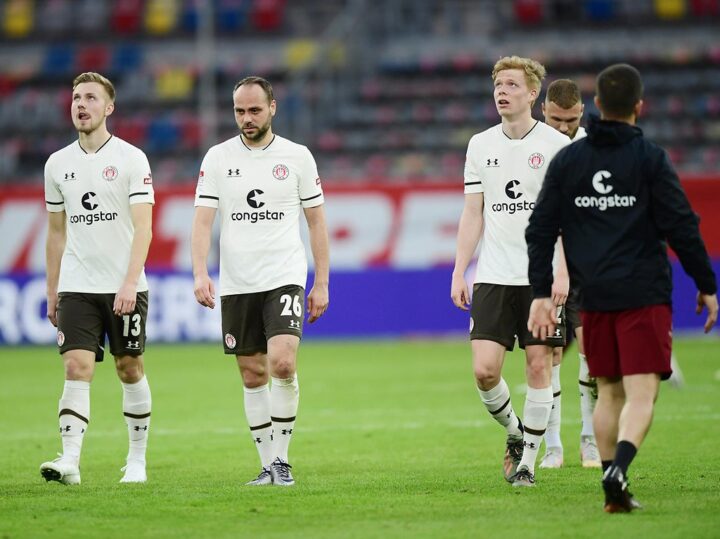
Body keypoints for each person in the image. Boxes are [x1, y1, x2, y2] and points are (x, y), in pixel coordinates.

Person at [526, 63, 718, 512]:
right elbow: (681, 226)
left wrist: (539, 292)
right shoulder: (650, 158)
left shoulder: (569, 160)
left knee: (607, 392)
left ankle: (614, 493)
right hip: (643, 293)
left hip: (592, 297)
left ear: (595, 106)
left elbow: (539, 229)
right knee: (641, 393)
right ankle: (618, 470)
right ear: (638, 107)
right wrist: (706, 285)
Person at [191, 76, 330, 487]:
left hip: (284, 275)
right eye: (239, 111)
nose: (246, 118)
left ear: (272, 107)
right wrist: (201, 272)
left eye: (254, 110)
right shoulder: (216, 158)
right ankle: (268, 465)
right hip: (237, 281)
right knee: (253, 374)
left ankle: (283, 461)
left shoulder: (298, 156)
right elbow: (202, 221)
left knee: (283, 362)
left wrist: (321, 281)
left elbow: (317, 221)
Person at [451, 56, 570, 488]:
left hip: (541, 279)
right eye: (498, 84)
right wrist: (459, 270)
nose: (502, 91)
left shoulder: (558, 147)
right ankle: (517, 433)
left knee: (540, 367)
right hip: (494, 276)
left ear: (533, 93)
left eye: (512, 85)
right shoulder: (480, 145)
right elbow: (472, 214)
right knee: (484, 371)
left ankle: (528, 466)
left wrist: (563, 272)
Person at [41, 72, 155, 485]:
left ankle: (137, 461)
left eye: (90, 97)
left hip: (125, 286)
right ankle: (69, 460)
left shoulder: (131, 158)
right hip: (77, 285)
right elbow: (56, 233)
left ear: (109, 107)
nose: (80, 104)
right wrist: (52, 289)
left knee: (129, 367)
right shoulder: (57, 164)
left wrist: (129, 282)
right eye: (75, 97)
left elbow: (144, 229)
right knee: (76, 365)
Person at [539, 78, 600, 469]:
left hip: (589, 264)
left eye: (572, 120)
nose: (564, 127)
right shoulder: (530, 144)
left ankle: (589, 439)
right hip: (546, 266)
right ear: (543, 109)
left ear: (583, 113)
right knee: (550, 354)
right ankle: (554, 446)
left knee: (592, 354)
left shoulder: (594, 147)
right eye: (558, 119)